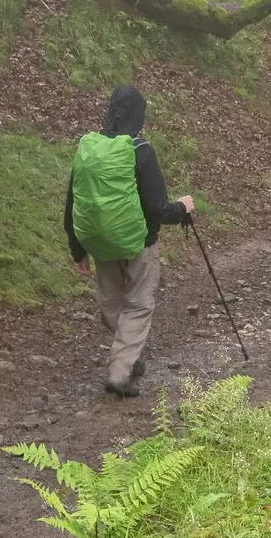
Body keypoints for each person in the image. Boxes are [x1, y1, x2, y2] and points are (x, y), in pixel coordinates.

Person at [65, 85, 194, 398]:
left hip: (100, 242)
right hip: (139, 244)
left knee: (112, 304)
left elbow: (73, 202)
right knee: (137, 306)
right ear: (139, 116)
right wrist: (184, 208)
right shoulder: (140, 151)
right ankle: (120, 372)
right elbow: (159, 209)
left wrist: (77, 248)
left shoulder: (89, 149)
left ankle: (128, 353)